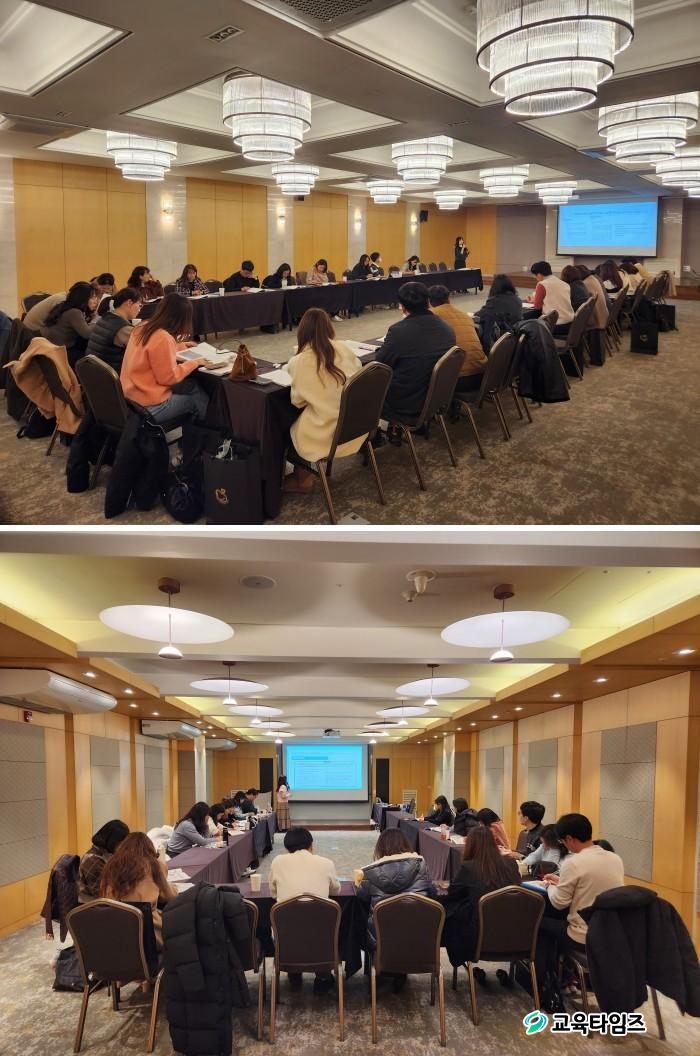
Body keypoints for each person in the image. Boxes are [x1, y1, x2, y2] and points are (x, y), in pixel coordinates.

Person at [285, 308, 364, 493]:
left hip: (327, 433)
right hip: (357, 427)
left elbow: (297, 402)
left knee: (287, 424)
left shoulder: (299, 362)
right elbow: (359, 373)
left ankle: (303, 479)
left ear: (302, 331)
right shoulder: (343, 348)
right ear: (329, 327)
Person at [537, 813, 625, 978]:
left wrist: (549, 886)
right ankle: (563, 976)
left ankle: (545, 980)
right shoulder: (615, 858)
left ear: (569, 838)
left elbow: (559, 903)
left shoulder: (573, 863)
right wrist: (561, 882)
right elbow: (591, 885)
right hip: (611, 933)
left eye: (562, 841)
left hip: (583, 935)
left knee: (539, 923)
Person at [120, 292, 212, 425]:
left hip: (131, 398)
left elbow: (154, 351)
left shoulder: (142, 326)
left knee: (192, 386)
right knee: (197, 399)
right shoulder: (163, 337)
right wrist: (195, 362)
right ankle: (208, 432)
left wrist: (180, 346)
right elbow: (169, 378)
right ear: (182, 318)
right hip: (149, 406)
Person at [439, 824, 520, 972]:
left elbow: (453, 893)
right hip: (513, 934)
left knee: (446, 910)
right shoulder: (511, 863)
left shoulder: (469, 867)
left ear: (470, 845)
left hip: (478, 936)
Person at [268, 827, 340, 992]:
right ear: (311, 845)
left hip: (286, 938)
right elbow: (336, 891)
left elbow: (273, 893)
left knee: (291, 926)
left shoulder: (277, 862)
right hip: (321, 938)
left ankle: (293, 971)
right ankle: (323, 976)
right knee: (324, 928)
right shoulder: (326, 863)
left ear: (287, 846)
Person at [376, 281, 455, 424]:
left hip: (406, 403)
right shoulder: (447, 328)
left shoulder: (398, 331)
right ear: (428, 302)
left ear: (402, 307)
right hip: (437, 397)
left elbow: (379, 365)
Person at [356, 829, 435, 962]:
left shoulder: (370, 873)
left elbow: (361, 896)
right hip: (418, 936)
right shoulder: (421, 865)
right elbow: (432, 892)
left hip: (382, 939)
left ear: (380, 847)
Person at [100, 832, 179, 948]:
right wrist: (173, 887)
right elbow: (169, 896)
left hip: (115, 929)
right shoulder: (155, 865)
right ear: (150, 848)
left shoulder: (111, 865)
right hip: (147, 930)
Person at [428, 284, 487, 393]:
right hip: (483, 375)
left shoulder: (431, 317)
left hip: (456, 380)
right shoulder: (466, 316)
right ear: (449, 299)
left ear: (429, 302)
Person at [41, 282, 100, 366]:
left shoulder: (64, 306)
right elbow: (87, 334)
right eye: (93, 298)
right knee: (94, 356)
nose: (96, 301)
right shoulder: (74, 312)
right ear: (83, 299)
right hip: (62, 352)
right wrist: (97, 320)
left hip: (52, 348)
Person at [85, 286, 141, 372]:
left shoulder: (106, 317)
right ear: (129, 303)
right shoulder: (123, 328)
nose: (139, 309)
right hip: (110, 374)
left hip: (93, 372)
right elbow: (143, 348)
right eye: (139, 305)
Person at [78, 819, 130, 903]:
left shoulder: (107, 856)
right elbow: (104, 894)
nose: (123, 847)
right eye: (122, 843)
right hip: (93, 906)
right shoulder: (92, 860)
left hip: (105, 904)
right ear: (113, 841)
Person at [473, 273, 524, 352]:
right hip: (515, 340)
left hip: (500, 342)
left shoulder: (494, 301)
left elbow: (481, 314)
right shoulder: (518, 300)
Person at [527, 261, 574, 335]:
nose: (536, 278)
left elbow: (537, 309)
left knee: (526, 325)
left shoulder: (542, 284)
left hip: (555, 325)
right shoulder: (564, 284)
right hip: (570, 324)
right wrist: (536, 299)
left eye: (535, 276)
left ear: (539, 274)